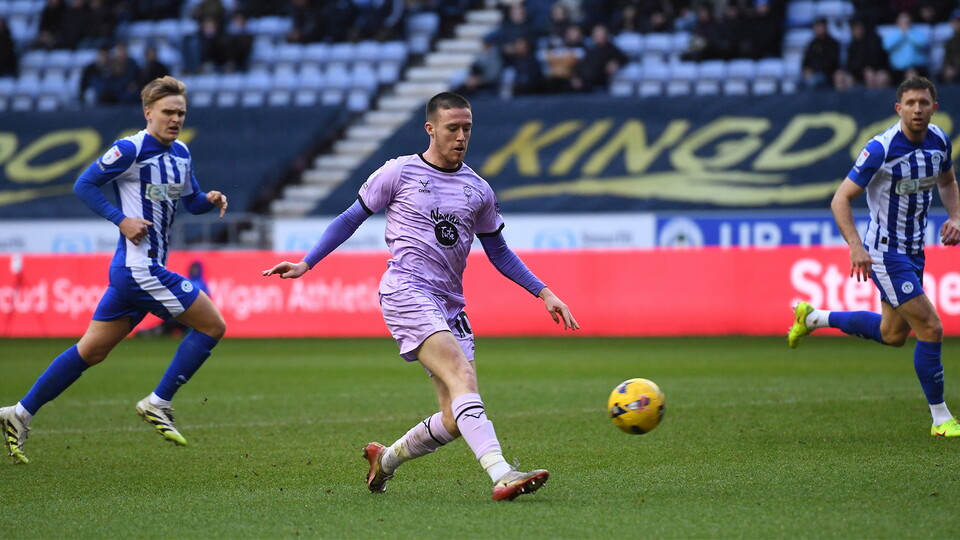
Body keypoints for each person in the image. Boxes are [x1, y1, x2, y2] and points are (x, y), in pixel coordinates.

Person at [262, 92, 579, 500]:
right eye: (452, 128)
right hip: (407, 290)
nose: (461, 137)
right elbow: (349, 219)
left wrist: (544, 292)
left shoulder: (478, 189)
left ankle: (385, 459)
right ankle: (502, 473)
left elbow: (499, 252)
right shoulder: (399, 172)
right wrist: (307, 263)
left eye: (467, 128)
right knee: (463, 377)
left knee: (454, 416)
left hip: (450, 305)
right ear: (430, 129)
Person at [1, 76, 229, 464]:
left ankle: (19, 413)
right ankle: (158, 402)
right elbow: (84, 184)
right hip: (139, 269)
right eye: (168, 112)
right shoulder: (130, 149)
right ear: (148, 112)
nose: (175, 119)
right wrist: (120, 219)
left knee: (90, 351)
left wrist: (209, 199)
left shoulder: (182, 153)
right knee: (213, 325)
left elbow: (190, 202)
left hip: (138, 273)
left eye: (181, 113)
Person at [788, 76, 960, 437]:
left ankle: (814, 317)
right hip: (885, 252)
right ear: (898, 108)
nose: (917, 109)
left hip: (915, 251)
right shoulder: (881, 149)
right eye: (910, 103)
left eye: (923, 103)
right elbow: (840, 198)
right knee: (931, 327)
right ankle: (941, 418)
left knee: (893, 334)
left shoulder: (940, 142)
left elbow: (947, 181)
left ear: (934, 108)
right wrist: (856, 245)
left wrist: (956, 216)